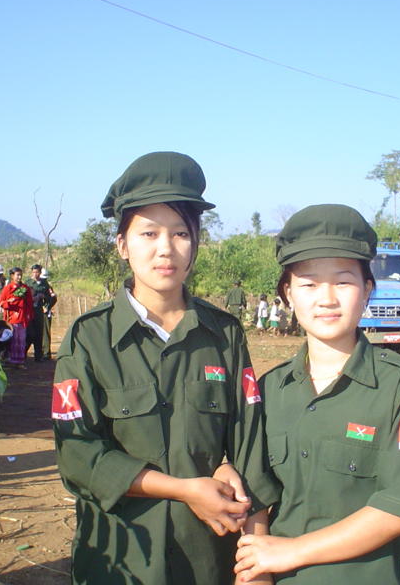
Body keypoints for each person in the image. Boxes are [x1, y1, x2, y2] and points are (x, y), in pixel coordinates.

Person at [52, 151, 278, 585]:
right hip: (120, 563)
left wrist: (254, 558)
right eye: (148, 233)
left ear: (195, 242)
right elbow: (78, 456)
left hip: (209, 558)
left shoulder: (224, 334)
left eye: (180, 233)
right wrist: (182, 488)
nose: (165, 249)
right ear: (122, 245)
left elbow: (250, 446)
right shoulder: (89, 338)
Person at [234, 204, 400, 585]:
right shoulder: (269, 391)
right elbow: (256, 499)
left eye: (343, 282)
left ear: (367, 290)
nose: (326, 298)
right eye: (309, 284)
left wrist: (291, 550)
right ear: (288, 295)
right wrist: (257, 572)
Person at [0, 267, 33, 368]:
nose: (19, 277)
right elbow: (0, 302)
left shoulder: (25, 288)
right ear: (12, 276)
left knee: (21, 339)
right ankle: (10, 359)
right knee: (12, 339)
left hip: (22, 317)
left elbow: (30, 303)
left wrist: (29, 315)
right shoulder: (7, 288)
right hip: (11, 318)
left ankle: (20, 361)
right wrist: (9, 302)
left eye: (20, 275)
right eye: (17, 275)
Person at [25, 264, 48, 362]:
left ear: (40, 272)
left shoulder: (44, 283)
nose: (35, 274)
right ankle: (22, 353)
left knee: (39, 333)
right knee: (29, 333)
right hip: (29, 310)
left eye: (37, 272)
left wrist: (44, 299)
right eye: (33, 272)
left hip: (39, 310)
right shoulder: (28, 282)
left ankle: (38, 355)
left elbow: (49, 296)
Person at [39, 267, 58, 359]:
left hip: (45, 313)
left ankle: (46, 353)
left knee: (45, 333)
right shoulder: (40, 285)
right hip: (38, 312)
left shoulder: (47, 286)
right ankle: (41, 351)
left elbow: (54, 298)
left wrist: (47, 307)